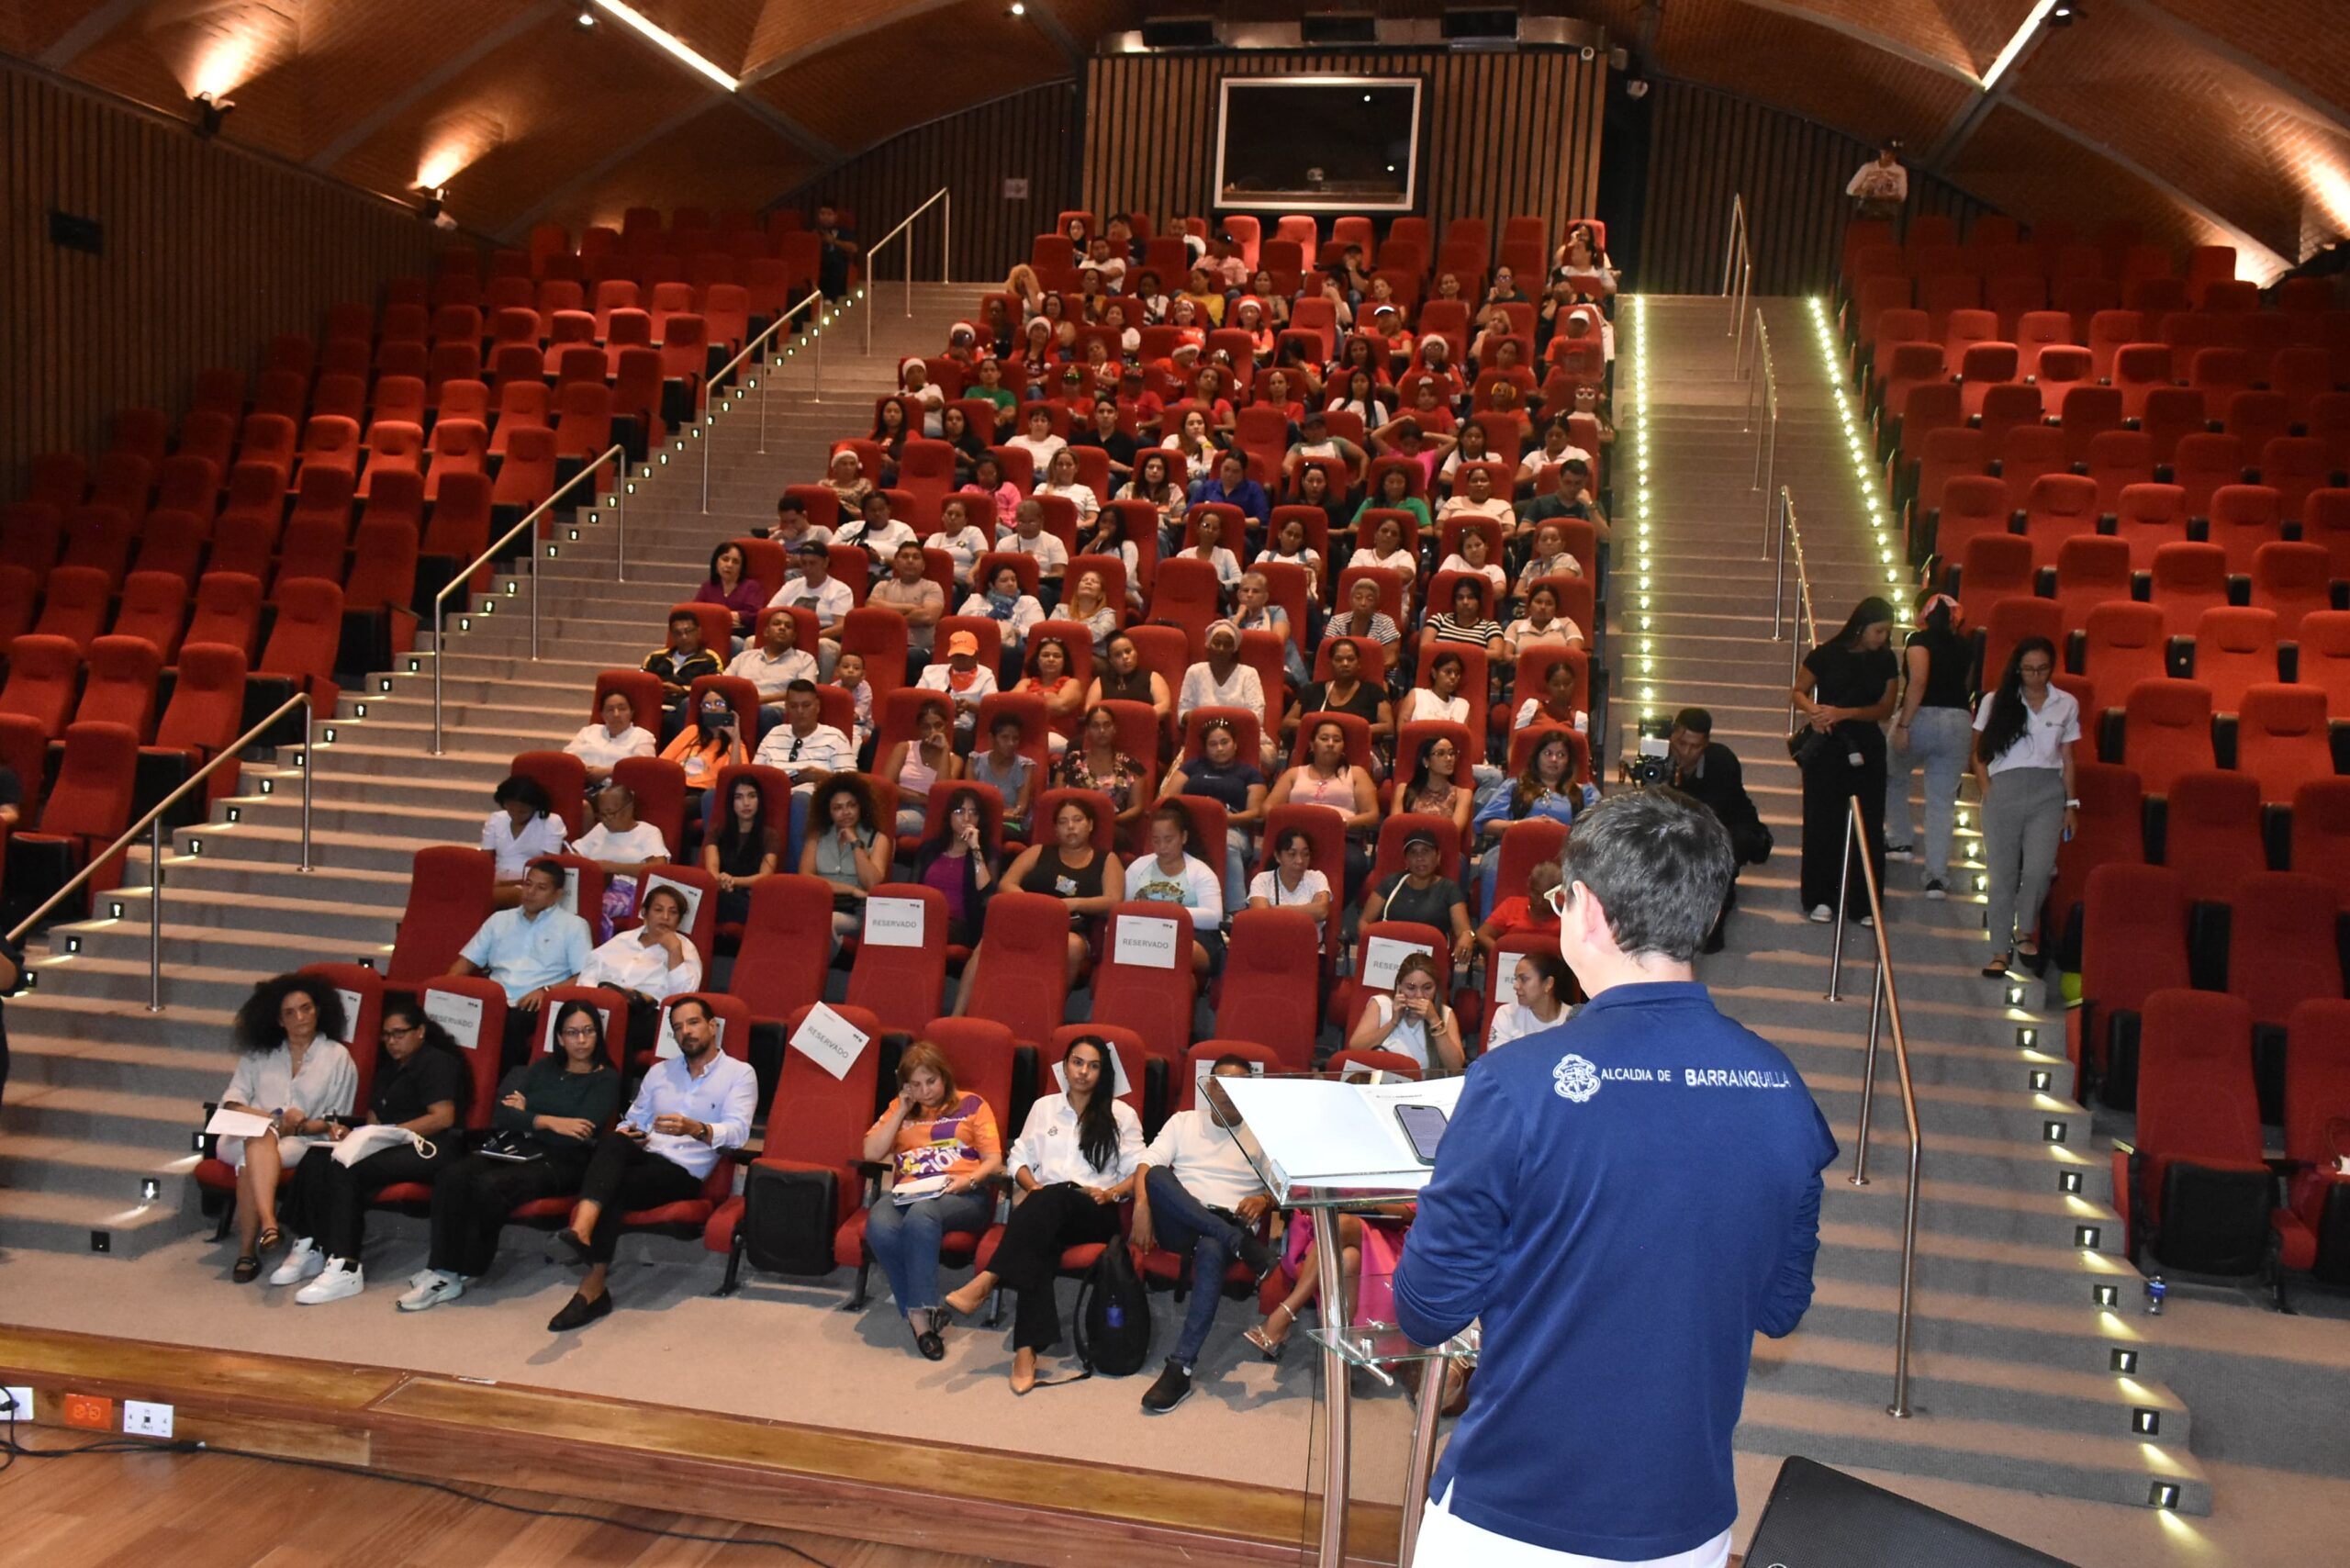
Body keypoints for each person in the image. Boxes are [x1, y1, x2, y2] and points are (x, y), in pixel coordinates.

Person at [1394, 789, 1838, 1568]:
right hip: (1686, 1522)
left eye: (1563, 897)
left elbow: (1427, 1310)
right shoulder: (1781, 1089)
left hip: (1516, 1512)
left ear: (1586, 911)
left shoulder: (1512, 1084)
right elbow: (1779, 1307)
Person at [940, 1035, 1144, 1392]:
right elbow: (1019, 1156)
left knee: (1051, 1200)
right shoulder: (1044, 1107)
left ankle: (988, 1279)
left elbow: (1140, 1168)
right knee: (1041, 1237)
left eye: (1093, 1066)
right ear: (1064, 1066)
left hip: (1094, 1210)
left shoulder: (1121, 1115)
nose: (1083, 1072)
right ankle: (1025, 1351)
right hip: (1046, 1207)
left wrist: (1112, 1192)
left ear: (1104, 1073)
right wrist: (1029, 1185)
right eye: (1077, 1062)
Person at [398, 998, 624, 1312]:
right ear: (559, 1038)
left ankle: (458, 1270)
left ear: (598, 1035)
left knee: (489, 1185)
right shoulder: (543, 1068)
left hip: (565, 1162)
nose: (581, 1040)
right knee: (453, 1174)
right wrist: (549, 1121)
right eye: (572, 1033)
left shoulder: (606, 1078)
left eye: (588, 1031)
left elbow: (581, 1130)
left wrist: (530, 1114)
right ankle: (441, 1265)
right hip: (518, 1146)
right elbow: (503, 1114)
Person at [545, 996, 755, 1330]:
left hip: (682, 1170)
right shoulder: (660, 1072)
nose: (686, 1032)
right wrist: (633, 1133)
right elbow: (633, 1120)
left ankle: (590, 1276)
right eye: (678, 1028)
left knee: (615, 1184)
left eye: (693, 1023)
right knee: (614, 1140)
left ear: (713, 1026)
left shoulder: (739, 1074)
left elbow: (739, 1133)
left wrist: (695, 1128)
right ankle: (583, 1243)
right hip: (644, 1154)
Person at [271, 994, 467, 1304]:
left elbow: (443, 1118)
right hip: (386, 1143)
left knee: (348, 1167)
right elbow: (373, 1118)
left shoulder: (437, 1063)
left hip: (428, 1147)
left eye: (399, 1033)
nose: (391, 1041)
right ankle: (313, 1244)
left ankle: (346, 1265)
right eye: (386, 1035)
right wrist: (353, 1134)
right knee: (317, 1155)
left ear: (420, 1031)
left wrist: (388, 1133)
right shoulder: (388, 1070)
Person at [1129, 1056, 1279, 1414]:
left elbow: (1283, 1190)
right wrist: (1142, 1206)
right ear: (1208, 1086)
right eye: (1220, 1083)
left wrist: (1262, 1199)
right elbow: (1147, 1167)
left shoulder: (1263, 1132)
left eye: (1238, 1084)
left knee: (1213, 1248)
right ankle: (1234, 1242)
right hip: (1181, 1223)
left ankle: (1180, 1366)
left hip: (1229, 1222)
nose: (1227, 1092)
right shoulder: (1183, 1122)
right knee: (1156, 1178)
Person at [859, 1040, 1003, 1360]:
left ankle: (920, 1314)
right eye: (916, 1084)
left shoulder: (972, 1104)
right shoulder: (901, 1111)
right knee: (879, 1224)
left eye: (931, 1081)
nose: (926, 1091)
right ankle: (922, 1314)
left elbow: (994, 1158)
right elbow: (871, 1152)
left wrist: (970, 1180)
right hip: (908, 1192)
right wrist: (900, 1109)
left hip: (962, 1193)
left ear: (944, 1076)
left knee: (922, 1214)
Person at [215, 975, 359, 1282]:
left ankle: (248, 1251)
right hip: (241, 1134)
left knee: (250, 1158)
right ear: (279, 1021)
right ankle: (269, 1222)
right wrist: (272, 1120)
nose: (300, 1018)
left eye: (306, 1009)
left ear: (318, 1010)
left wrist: (301, 1126)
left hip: (301, 1141)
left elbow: (337, 1120)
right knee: (260, 1133)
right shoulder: (260, 1053)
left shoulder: (337, 1057)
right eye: (290, 1013)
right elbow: (231, 1101)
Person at [1973, 636, 2079, 980]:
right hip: (2004, 787)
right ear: (2017, 669)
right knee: (2001, 874)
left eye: (2042, 669)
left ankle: (2024, 925)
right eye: (2028, 669)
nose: (2035, 676)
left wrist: (2071, 803)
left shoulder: (2066, 703)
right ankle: (2000, 950)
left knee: (2039, 868)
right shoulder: (1996, 700)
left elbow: (2067, 756)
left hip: (2047, 791)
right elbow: (1979, 751)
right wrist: (1988, 787)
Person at [1793, 597, 1899, 924]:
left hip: (1867, 743)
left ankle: (1865, 903)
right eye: (1879, 630)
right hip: (1827, 742)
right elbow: (1798, 691)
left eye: (1886, 632)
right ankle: (1821, 897)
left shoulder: (1886, 660)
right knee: (1822, 820)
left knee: (1868, 821)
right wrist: (1816, 711)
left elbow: (1885, 708)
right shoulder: (1825, 654)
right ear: (1862, 625)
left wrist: (1844, 713)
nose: (1882, 638)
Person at [448, 857, 591, 1068]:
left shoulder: (574, 926)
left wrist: (547, 991)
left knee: (510, 1023)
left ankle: (500, 1086)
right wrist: (446, 991)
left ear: (557, 895)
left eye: (541, 887)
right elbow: (465, 963)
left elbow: (583, 976)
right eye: (528, 884)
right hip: (495, 997)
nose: (530, 892)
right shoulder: (499, 920)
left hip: (535, 1003)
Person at [1887, 593, 1973, 898]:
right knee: (1942, 801)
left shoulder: (1917, 640)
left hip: (1922, 716)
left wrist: (1904, 724)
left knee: (1895, 774)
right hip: (1959, 721)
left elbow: (1919, 681)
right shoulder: (1967, 645)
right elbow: (1967, 686)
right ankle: (1936, 876)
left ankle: (1900, 838)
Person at [1662, 709, 1767, 954]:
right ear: (1672, 736)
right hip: (1683, 826)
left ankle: (1712, 923)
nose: (1686, 752)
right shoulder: (1658, 756)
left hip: (1728, 827)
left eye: (1695, 746)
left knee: (1720, 853)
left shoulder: (1721, 760)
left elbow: (1714, 815)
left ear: (1706, 744)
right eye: (1681, 743)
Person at [576, 882, 703, 1058]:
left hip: (647, 1016)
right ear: (644, 912)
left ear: (679, 920)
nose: (665, 917)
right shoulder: (622, 940)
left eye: (673, 913)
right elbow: (588, 977)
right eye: (658, 910)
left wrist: (674, 951)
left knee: (620, 1029)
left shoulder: (686, 949)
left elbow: (683, 997)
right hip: (603, 1006)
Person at [1158, 715, 1268, 911]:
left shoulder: (1249, 773)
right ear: (1205, 748)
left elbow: (1255, 813)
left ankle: (1233, 912)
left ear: (1235, 744)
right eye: (1213, 744)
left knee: (1227, 846)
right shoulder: (1192, 767)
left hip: (1231, 828)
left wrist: (1221, 820)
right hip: (1189, 826)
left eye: (1224, 742)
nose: (1219, 749)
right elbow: (1168, 798)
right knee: (1164, 841)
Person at [1268, 717, 1379, 901]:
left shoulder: (1356, 773)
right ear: (1312, 744)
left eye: (1336, 740)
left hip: (1340, 838)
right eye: (1324, 738)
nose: (1330, 744)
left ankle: (1330, 911)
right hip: (1297, 837)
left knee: (1354, 863)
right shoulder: (1294, 773)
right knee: (1275, 859)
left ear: (1343, 746)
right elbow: (1268, 808)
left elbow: (1372, 814)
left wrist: (1343, 823)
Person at [1472, 729, 1587, 906]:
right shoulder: (1513, 786)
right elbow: (1486, 824)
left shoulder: (1584, 792)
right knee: (1492, 866)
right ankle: (1490, 929)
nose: (1554, 760)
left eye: (1561, 755)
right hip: (1513, 849)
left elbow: (1596, 832)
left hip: (1563, 853)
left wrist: (1557, 831)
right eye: (1548, 753)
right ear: (1537, 757)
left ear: (1569, 761)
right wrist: (1523, 826)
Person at [1124, 804, 1226, 975]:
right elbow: (1124, 908)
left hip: (1194, 935)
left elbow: (1215, 918)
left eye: (1169, 839)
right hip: (1145, 932)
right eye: (1156, 840)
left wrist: (1165, 912)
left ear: (1183, 837)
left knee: (1169, 951)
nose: (1162, 847)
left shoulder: (1201, 872)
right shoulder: (1138, 867)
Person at [568, 781, 668, 936]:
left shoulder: (648, 832)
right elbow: (573, 853)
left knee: (589, 907)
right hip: (594, 887)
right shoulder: (600, 829)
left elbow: (658, 868)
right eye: (602, 814)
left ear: (629, 808)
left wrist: (611, 867)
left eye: (611, 813)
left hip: (630, 890)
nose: (606, 819)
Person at [801, 775, 890, 950]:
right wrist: (851, 889)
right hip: (818, 905)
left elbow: (872, 884)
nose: (846, 812)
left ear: (861, 806)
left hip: (855, 913)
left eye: (851, 805)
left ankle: (813, 971)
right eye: (838, 808)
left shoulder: (878, 839)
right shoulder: (817, 837)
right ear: (828, 811)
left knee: (826, 922)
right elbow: (805, 878)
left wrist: (855, 843)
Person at [1368, 829, 1475, 963]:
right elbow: (1364, 922)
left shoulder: (1449, 889)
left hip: (1429, 962)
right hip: (1389, 958)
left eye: (1425, 851)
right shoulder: (1391, 883)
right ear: (1406, 860)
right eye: (1413, 852)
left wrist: (1467, 937)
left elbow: (1464, 931)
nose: (1419, 858)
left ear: (1438, 856)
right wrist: (1373, 947)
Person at [911, 787, 996, 946]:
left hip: (960, 927)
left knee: (933, 928)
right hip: (921, 919)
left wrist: (975, 848)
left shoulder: (986, 853)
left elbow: (987, 895)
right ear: (949, 815)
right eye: (959, 811)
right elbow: (912, 889)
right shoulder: (929, 849)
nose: (966, 818)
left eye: (973, 813)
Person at [1055, 705, 1147, 832]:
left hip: (1113, 829)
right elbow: (1058, 798)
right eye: (1095, 726)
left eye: (1107, 725)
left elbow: (1136, 807)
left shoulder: (1131, 764)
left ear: (1115, 729)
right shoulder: (1072, 760)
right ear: (1087, 730)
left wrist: (1110, 821)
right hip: (1073, 827)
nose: (1102, 730)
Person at [481, 774, 569, 909]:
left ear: (535, 806)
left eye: (523, 811)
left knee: (484, 898)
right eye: (511, 809)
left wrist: (505, 883)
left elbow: (549, 869)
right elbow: (484, 860)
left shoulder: (551, 822)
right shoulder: (496, 819)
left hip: (530, 884)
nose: (516, 814)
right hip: (496, 880)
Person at [703, 775, 780, 926]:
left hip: (750, 899)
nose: (746, 803)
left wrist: (732, 881)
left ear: (759, 801)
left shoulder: (769, 835)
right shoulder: (717, 831)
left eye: (752, 796)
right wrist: (721, 881)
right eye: (739, 797)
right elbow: (711, 868)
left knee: (714, 901)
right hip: (721, 892)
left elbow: (765, 876)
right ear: (731, 803)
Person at [727, 609, 820, 729]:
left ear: (794, 636)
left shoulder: (805, 659)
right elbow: (725, 682)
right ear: (766, 631)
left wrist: (761, 700)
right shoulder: (745, 657)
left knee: (766, 712)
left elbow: (806, 692)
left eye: (788, 626)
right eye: (777, 624)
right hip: (742, 706)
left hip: (776, 712)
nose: (782, 628)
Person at [883, 698, 961, 838]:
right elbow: (886, 786)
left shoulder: (954, 760)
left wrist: (944, 751)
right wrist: (925, 799)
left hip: (927, 815)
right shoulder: (905, 748)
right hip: (895, 806)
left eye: (939, 726)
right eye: (926, 727)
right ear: (919, 729)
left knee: (889, 823)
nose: (933, 732)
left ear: (947, 727)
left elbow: (941, 795)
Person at [658, 691, 748, 813]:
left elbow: (735, 780)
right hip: (675, 788)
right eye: (707, 705)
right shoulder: (692, 731)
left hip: (704, 795)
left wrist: (735, 737)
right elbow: (662, 762)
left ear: (729, 709)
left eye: (719, 703)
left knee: (674, 806)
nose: (714, 708)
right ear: (701, 711)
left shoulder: (736, 744)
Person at [1247, 824, 1334, 948]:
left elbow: (1321, 912)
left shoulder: (1317, 878)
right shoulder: (1262, 880)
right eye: (1292, 854)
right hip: (1271, 949)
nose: (1300, 861)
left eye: (1305, 854)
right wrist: (1307, 912)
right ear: (1277, 856)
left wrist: (1274, 909)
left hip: (1310, 951)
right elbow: (1261, 917)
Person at [642, 610, 721, 740]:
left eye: (688, 632)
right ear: (672, 635)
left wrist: (682, 690)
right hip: (657, 706)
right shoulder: (655, 657)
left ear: (699, 632)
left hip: (687, 709)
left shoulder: (709, 659)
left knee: (682, 708)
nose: (683, 637)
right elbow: (640, 684)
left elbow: (714, 688)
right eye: (678, 633)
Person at [1175, 619, 1266, 730]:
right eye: (1217, 643)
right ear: (1208, 645)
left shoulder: (1249, 674)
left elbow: (1257, 717)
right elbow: (1182, 713)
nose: (1221, 649)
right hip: (1203, 736)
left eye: (1227, 645)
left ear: (1234, 649)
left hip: (1241, 736)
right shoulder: (1194, 671)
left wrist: (1220, 725)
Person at [768, 539, 854, 655]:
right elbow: (769, 612)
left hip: (822, 636)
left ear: (825, 562)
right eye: (804, 563)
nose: (807, 568)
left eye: (812, 563)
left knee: (824, 646)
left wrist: (812, 638)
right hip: (788, 633)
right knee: (751, 640)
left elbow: (841, 626)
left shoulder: (840, 590)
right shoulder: (791, 586)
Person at [960, 562, 1046, 677]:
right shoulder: (976, 600)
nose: (1010, 583)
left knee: (1006, 652)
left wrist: (1017, 631)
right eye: (1004, 580)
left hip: (1013, 648)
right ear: (992, 585)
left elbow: (1038, 632)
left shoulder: (1028, 602)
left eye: (1013, 579)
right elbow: (960, 624)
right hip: (978, 644)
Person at [914, 629, 997, 743]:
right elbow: (916, 700)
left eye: (965, 655)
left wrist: (969, 706)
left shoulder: (986, 675)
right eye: (956, 654)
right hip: (929, 724)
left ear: (976, 655)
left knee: (961, 739)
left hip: (959, 727)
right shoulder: (930, 671)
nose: (960, 658)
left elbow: (992, 709)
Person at [1483, 947, 1572, 1049]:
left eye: (1523, 979)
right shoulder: (1506, 1014)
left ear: (1548, 983)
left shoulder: (1573, 1020)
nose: (1515, 986)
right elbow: (1495, 1061)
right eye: (1516, 979)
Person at [1396, 731, 1475, 842]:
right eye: (1441, 753)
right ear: (1426, 761)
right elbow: (1396, 826)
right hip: (1411, 848)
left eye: (1451, 753)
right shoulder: (1403, 789)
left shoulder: (1463, 794)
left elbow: (1454, 831)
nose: (1449, 759)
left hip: (1445, 849)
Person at [565, 689, 655, 787]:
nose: (616, 714)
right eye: (610, 710)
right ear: (602, 714)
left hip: (618, 789)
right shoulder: (588, 731)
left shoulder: (643, 736)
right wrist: (584, 769)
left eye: (622, 709)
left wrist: (607, 772)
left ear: (631, 712)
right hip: (581, 782)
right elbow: (568, 757)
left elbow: (642, 768)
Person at [1013, 635, 1085, 756]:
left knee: (1027, 743)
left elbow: (1060, 707)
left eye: (1057, 656)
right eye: (1045, 655)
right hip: (1025, 732)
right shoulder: (1026, 682)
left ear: (1064, 661)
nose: (1051, 659)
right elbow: (1011, 705)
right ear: (1037, 660)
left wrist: (1030, 698)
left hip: (1057, 737)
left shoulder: (1072, 683)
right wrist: (1046, 697)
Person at [1086, 632, 1172, 730]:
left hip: (1145, 731)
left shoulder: (1152, 677)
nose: (1125, 657)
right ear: (1111, 661)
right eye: (1118, 655)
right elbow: (1089, 710)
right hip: (1109, 735)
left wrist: (1133, 723)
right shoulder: (1101, 681)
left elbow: (1164, 706)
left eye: (1128, 651)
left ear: (1135, 652)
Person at [695, 541, 766, 648]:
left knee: (732, 642)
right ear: (716, 562)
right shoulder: (707, 587)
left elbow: (755, 615)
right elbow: (696, 611)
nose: (729, 565)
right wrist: (732, 617)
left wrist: (720, 617)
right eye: (725, 559)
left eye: (735, 562)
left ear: (741, 567)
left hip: (740, 637)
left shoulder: (751, 586)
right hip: (712, 633)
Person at [925, 496, 991, 589]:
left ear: (965, 521)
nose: (952, 518)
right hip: (934, 581)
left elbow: (983, 557)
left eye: (958, 515)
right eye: (949, 513)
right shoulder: (934, 538)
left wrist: (971, 573)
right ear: (943, 517)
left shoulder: (972, 532)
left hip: (959, 583)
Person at [1847, 140, 1908, 221]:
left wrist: (1885, 197)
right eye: (1887, 152)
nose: (1890, 156)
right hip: (1867, 206)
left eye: (1893, 153)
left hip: (1887, 208)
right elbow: (1850, 189)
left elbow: (1902, 195)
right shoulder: (1867, 167)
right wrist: (1864, 191)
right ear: (1881, 151)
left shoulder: (1900, 171)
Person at [812, 201, 859, 298]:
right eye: (822, 214)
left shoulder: (844, 231)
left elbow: (854, 249)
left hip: (837, 262)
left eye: (829, 214)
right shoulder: (813, 231)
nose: (825, 217)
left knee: (837, 263)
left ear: (835, 216)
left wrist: (834, 241)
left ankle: (831, 298)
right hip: (818, 262)